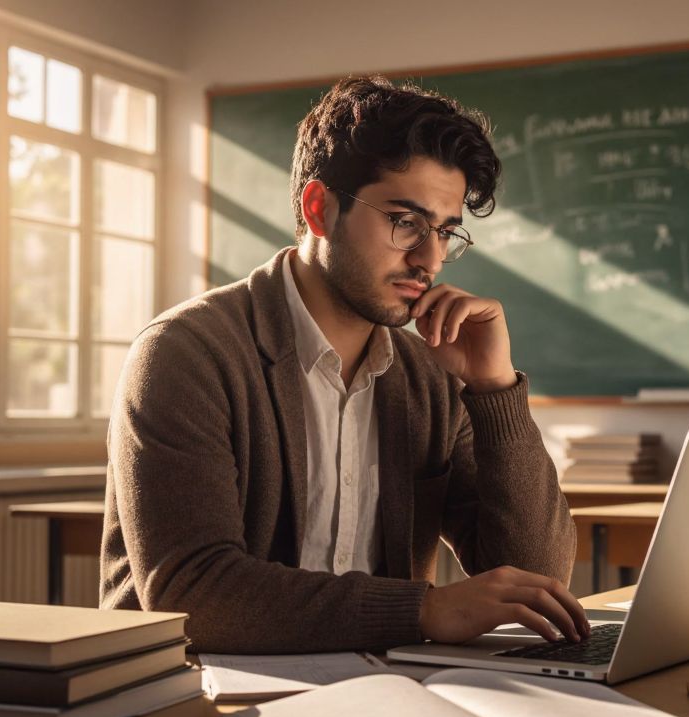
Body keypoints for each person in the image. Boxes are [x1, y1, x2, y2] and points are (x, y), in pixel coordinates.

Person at [99, 75, 588, 653]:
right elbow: (191, 594)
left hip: (378, 689)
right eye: (405, 221)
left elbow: (534, 578)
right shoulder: (186, 352)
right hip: (192, 698)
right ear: (318, 208)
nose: (430, 258)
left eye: (446, 232)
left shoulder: (429, 373)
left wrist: (494, 387)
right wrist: (424, 609)